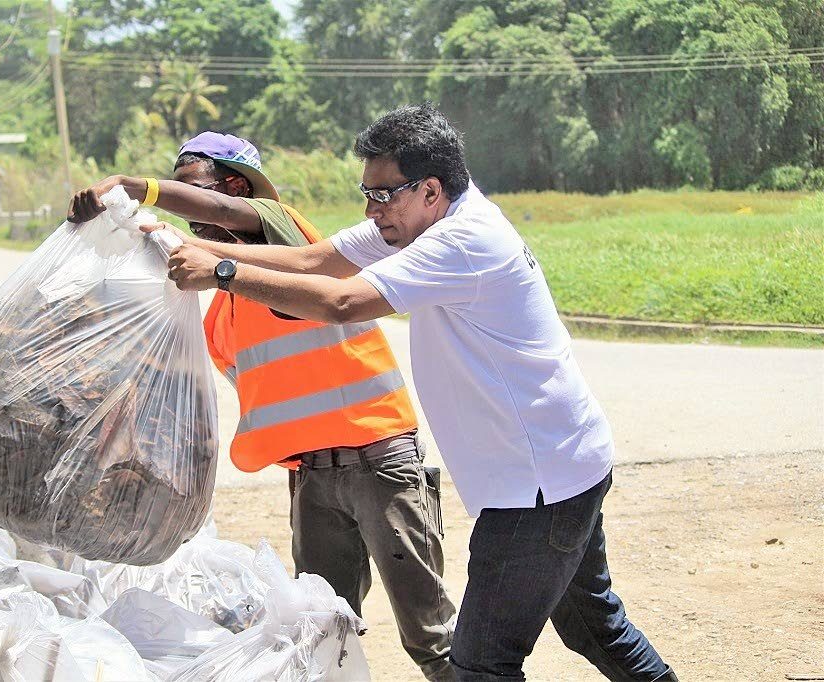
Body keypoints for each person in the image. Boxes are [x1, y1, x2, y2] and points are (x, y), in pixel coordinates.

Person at [146, 105, 678, 682]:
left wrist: (220, 273)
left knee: (480, 664)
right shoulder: (424, 220)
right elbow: (313, 260)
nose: (372, 210)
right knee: (594, 627)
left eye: (383, 195)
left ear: (430, 189)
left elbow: (340, 300)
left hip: (538, 488)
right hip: (563, 462)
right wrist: (199, 249)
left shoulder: (463, 241)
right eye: (366, 193)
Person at [68, 132, 457, 681]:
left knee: (430, 637)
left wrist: (145, 191)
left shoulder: (281, 225)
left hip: (379, 459)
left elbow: (227, 213)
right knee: (322, 632)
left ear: (235, 188)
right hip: (311, 479)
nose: (186, 205)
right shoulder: (219, 315)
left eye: (191, 190)